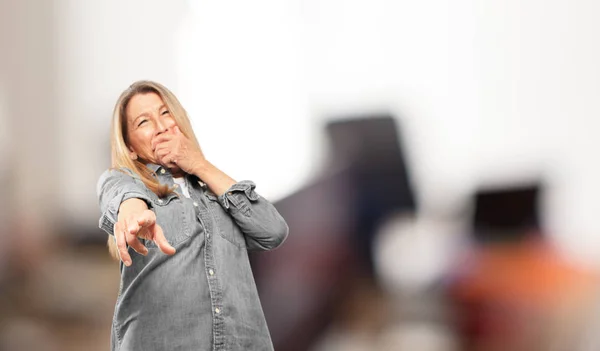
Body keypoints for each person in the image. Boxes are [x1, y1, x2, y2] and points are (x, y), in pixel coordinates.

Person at [96, 80, 289, 351]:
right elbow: (122, 196)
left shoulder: (220, 193)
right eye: (144, 122)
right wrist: (134, 214)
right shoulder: (124, 181)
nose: (161, 126)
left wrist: (198, 163)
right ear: (130, 148)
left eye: (165, 113)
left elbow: (273, 230)